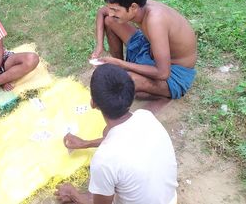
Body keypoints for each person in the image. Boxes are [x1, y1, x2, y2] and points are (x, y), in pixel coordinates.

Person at [55, 64, 178, 204]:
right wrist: (86, 143)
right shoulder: (146, 117)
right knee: (107, 135)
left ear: (93, 103)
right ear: (131, 95)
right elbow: (123, 141)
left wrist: (73, 194)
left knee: (95, 191)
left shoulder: (103, 160)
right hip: (169, 200)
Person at [90, 0, 197, 99]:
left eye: (115, 10)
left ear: (133, 7)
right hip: (149, 47)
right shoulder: (133, 3)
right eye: (110, 8)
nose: (110, 12)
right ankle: (120, 71)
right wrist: (99, 46)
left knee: (125, 85)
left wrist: (121, 64)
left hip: (174, 71)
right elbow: (101, 13)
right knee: (110, 20)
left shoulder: (155, 20)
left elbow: (163, 73)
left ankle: (157, 91)